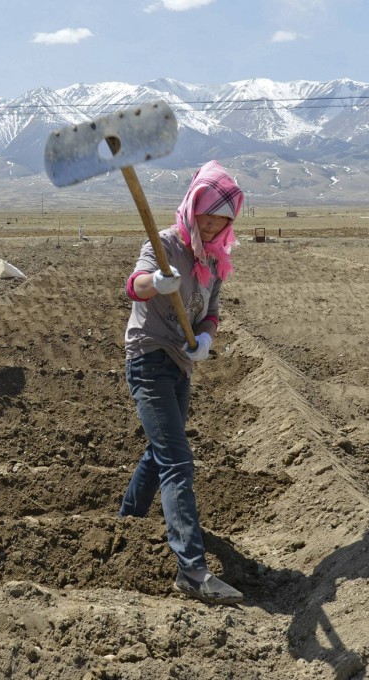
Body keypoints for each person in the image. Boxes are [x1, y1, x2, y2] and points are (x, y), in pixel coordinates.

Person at [118, 160, 245, 605]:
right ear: (193, 209)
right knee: (177, 460)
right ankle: (191, 569)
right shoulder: (166, 244)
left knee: (160, 451)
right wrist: (157, 281)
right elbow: (133, 286)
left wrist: (206, 335)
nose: (211, 226)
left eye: (221, 220)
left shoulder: (215, 258)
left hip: (180, 364)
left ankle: (127, 521)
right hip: (149, 357)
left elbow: (211, 310)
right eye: (206, 217)